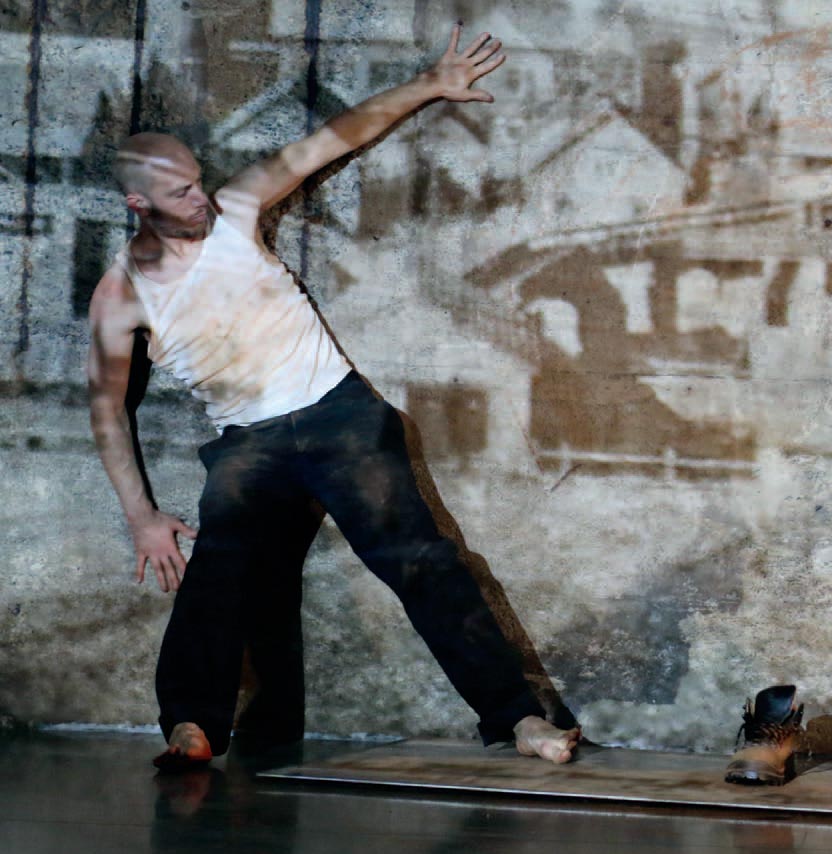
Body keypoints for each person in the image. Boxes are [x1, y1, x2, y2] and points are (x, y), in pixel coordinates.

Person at [88, 24, 580, 769]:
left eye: (197, 180)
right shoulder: (121, 293)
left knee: (423, 562)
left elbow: (330, 140)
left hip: (338, 413)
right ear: (136, 202)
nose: (198, 198)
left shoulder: (235, 211)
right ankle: (191, 725)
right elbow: (106, 411)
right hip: (248, 442)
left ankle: (518, 719)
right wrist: (143, 518)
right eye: (180, 192)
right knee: (217, 572)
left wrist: (430, 84)